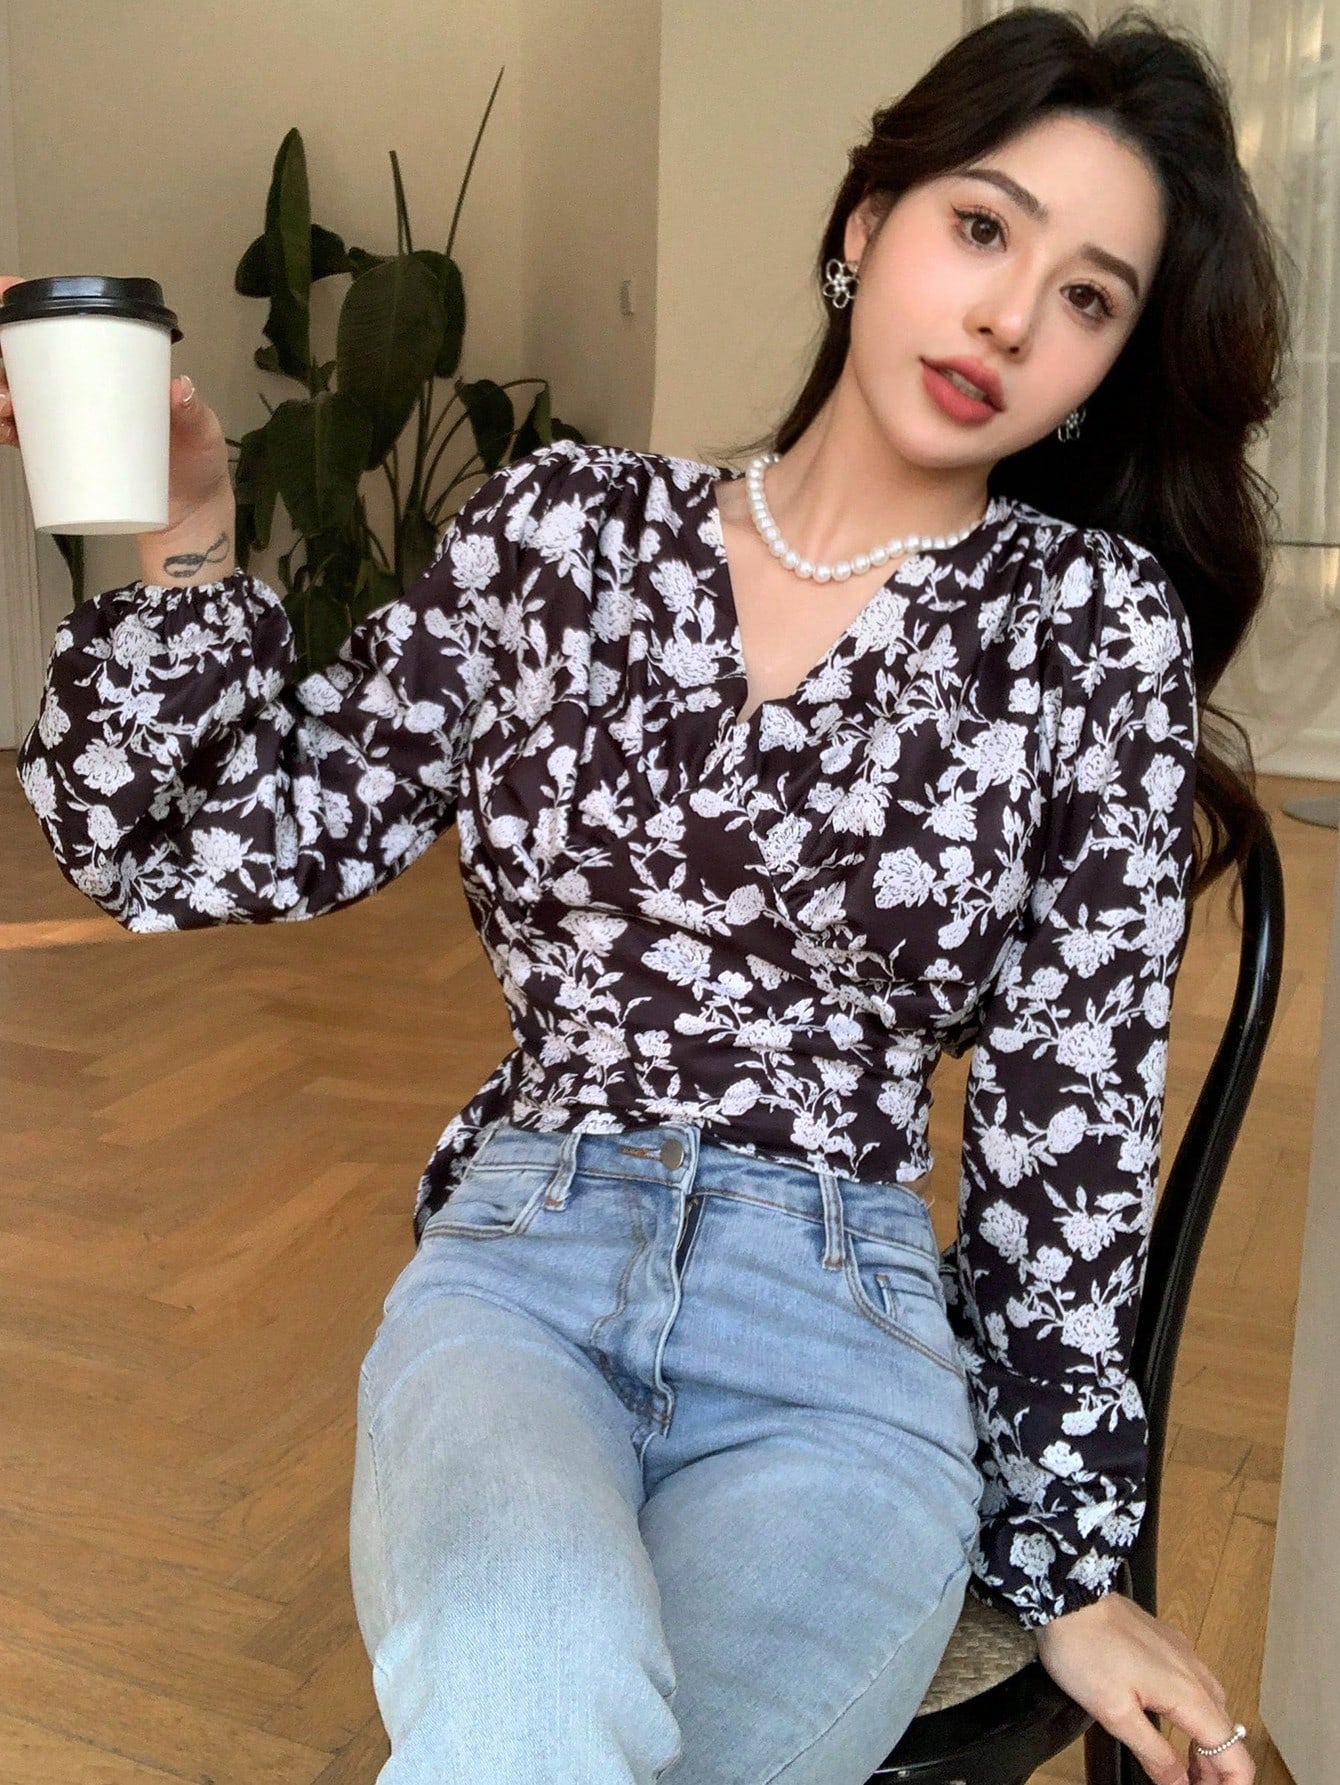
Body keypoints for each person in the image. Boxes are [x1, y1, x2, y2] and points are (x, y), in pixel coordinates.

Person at [8, 6, 1286, 1782]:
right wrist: (187, 537)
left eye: (1087, 296)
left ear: (1108, 366)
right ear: (868, 224)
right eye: (982, 227)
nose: (1009, 314)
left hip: (845, 1345)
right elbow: (216, 834)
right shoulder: (563, 534)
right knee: (535, 1687)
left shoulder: (1088, 631)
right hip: (522, 1275)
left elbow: (1069, 1124)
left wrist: (1069, 1557)